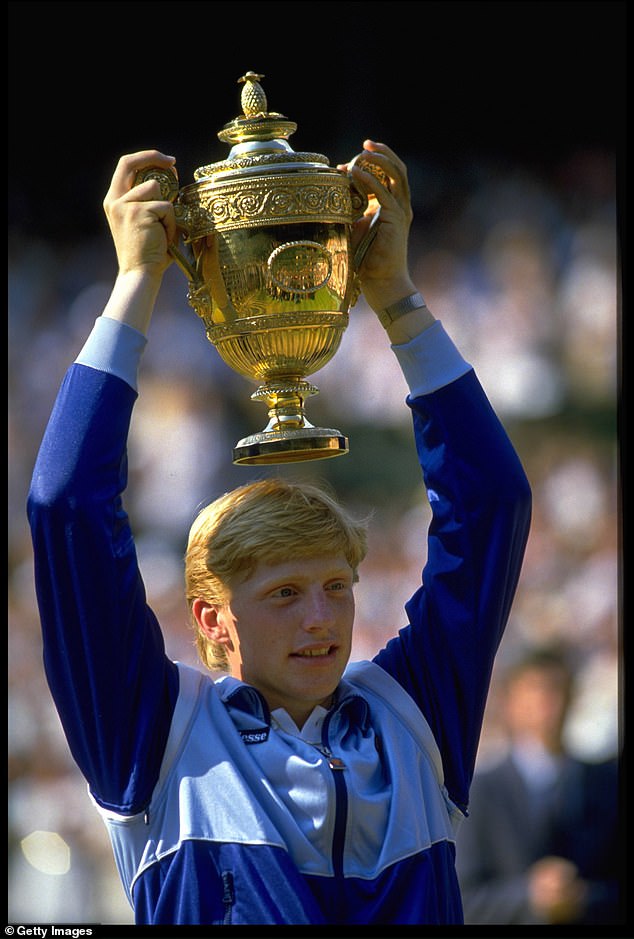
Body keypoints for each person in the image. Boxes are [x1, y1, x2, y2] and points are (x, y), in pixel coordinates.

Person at [27, 140, 532, 926]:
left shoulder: (415, 710)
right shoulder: (153, 732)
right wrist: (135, 283)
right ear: (210, 617)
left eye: (337, 587)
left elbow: (493, 501)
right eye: (285, 594)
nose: (321, 619)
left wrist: (394, 293)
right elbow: (66, 508)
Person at [455, 645, 621, 924]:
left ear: (572, 698)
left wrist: (581, 898)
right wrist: (528, 898)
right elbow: (462, 897)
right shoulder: (480, 791)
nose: (546, 703)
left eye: (556, 689)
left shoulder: (607, 783)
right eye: (534, 690)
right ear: (510, 703)